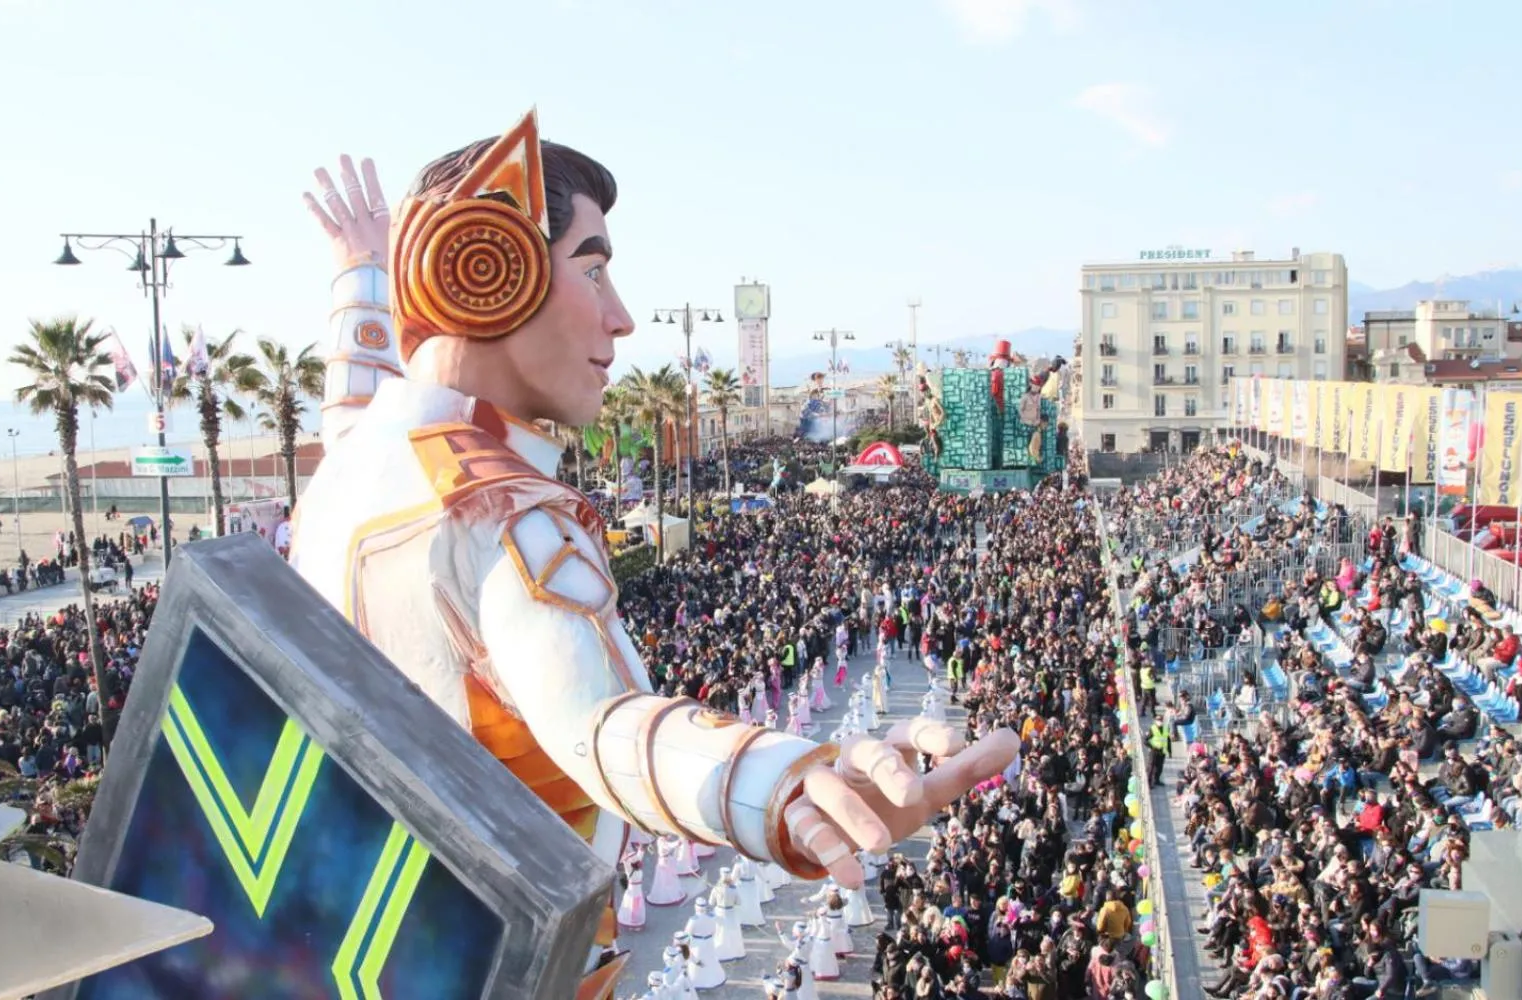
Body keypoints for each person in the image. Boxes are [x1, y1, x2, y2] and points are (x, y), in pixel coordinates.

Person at [291, 111, 1020, 995]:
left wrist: (362, 274)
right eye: (593, 269)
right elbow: (600, 725)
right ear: (493, 272)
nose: (621, 316)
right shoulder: (503, 511)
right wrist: (786, 785)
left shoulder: (357, 464)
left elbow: (352, 400)